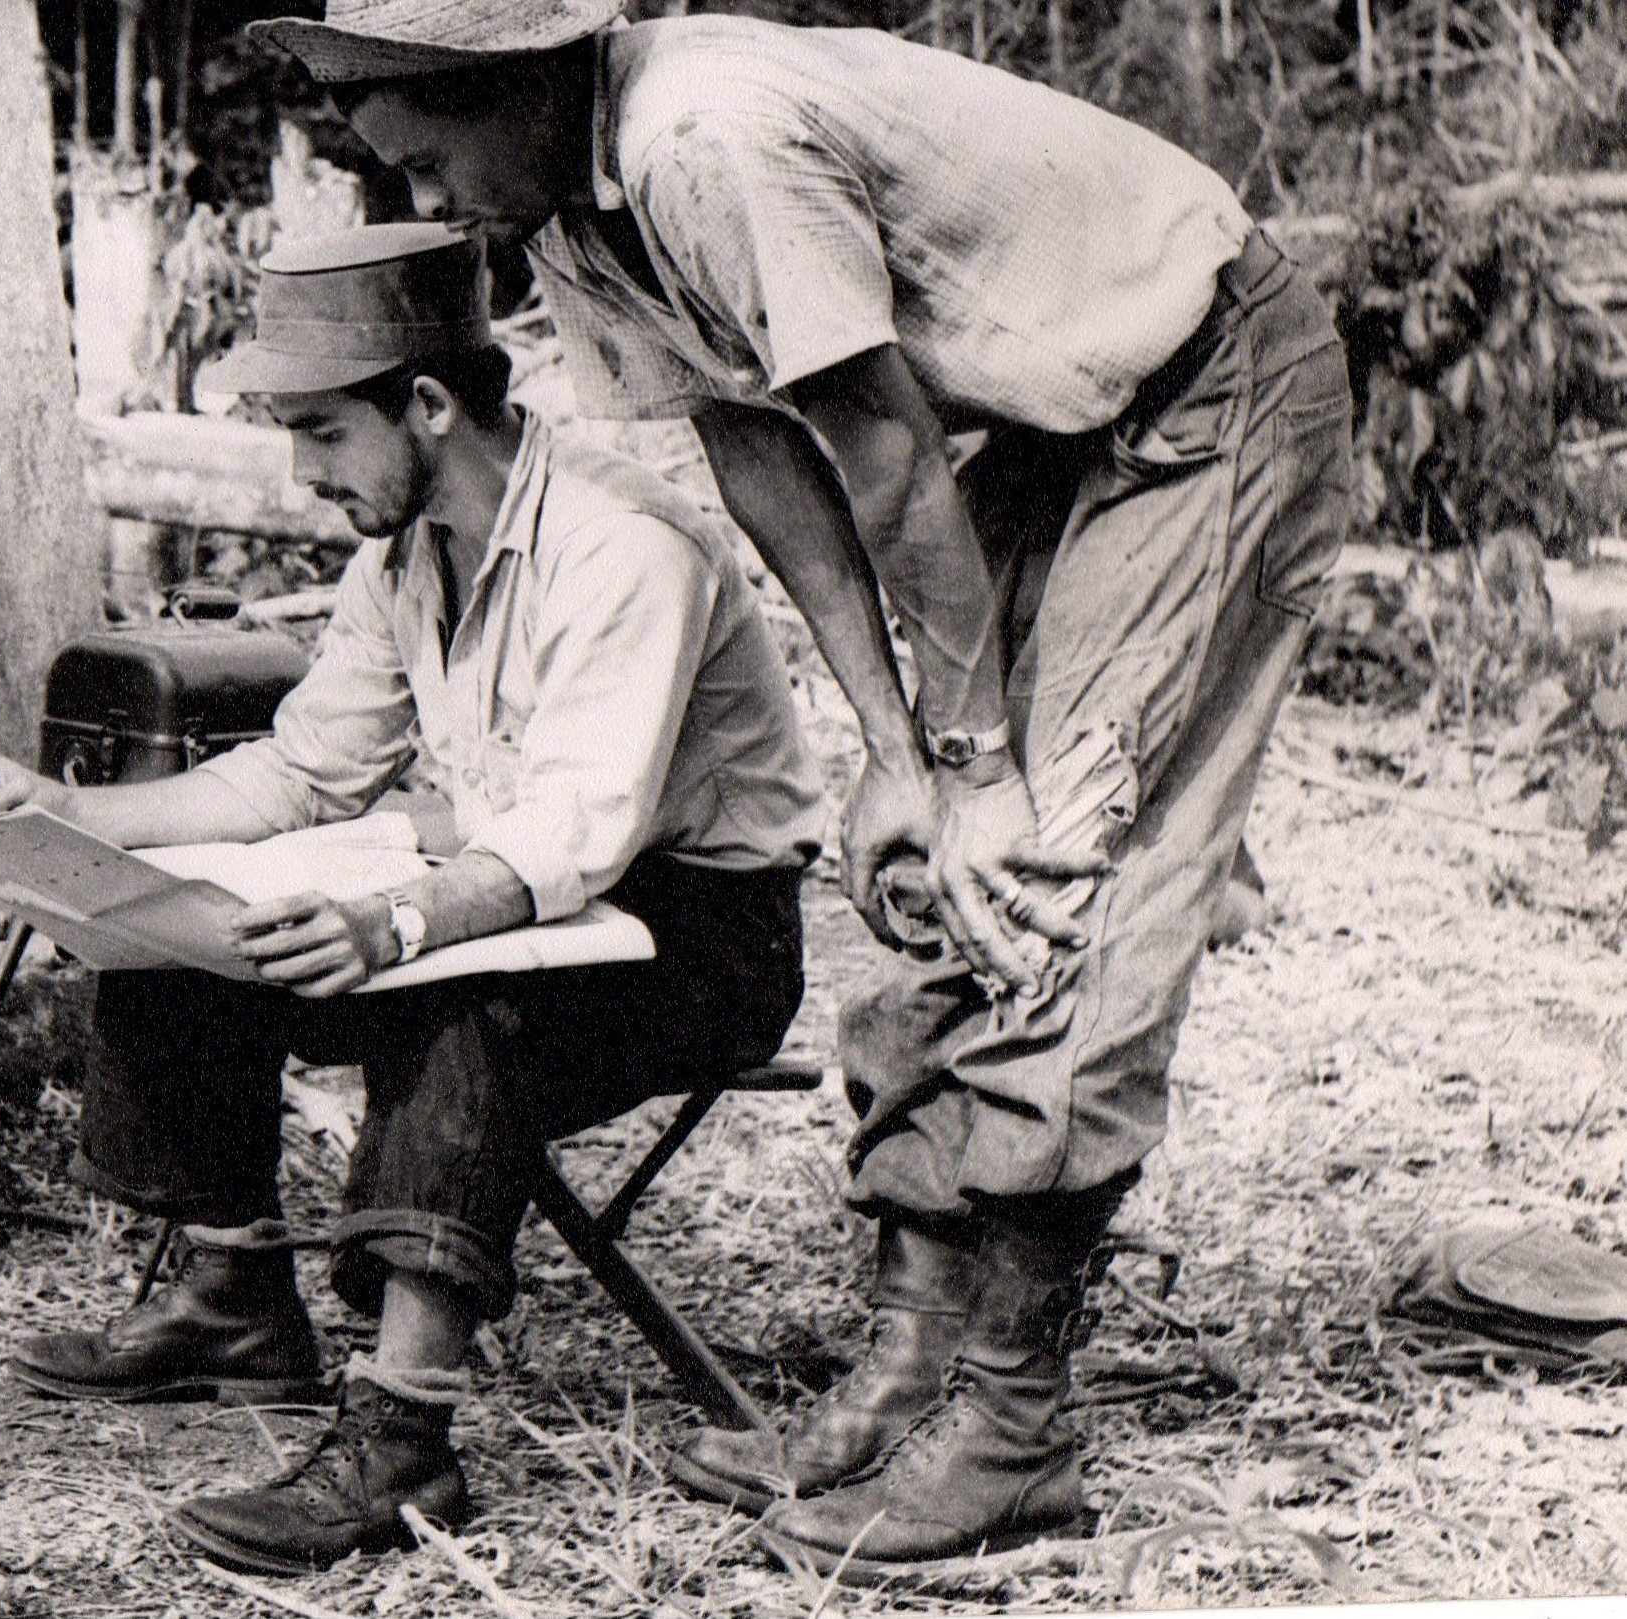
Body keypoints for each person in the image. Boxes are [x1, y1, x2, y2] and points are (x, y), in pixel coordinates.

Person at [249, 0, 1354, 1577]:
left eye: (424, 152)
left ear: (508, 76)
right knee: (923, 870)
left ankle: (1013, 1424)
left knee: (1048, 857)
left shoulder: (700, 141)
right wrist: (898, 763)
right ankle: (909, 1363)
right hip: (1053, 416)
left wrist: (970, 763)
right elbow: (764, 457)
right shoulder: (569, 211)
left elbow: (889, 459)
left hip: (1198, 378)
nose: (424, 201)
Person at [0, 222, 824, 1577]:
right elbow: (306, 774)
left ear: (426, 404)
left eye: (317, 433)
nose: (302, 474)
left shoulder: (623, 548)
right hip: (535, 888)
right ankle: (233, 1291)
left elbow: (576, 829)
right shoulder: (402, 555)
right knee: (170, 913)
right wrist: (66, 821)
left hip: (697, 934)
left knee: (465, 1004)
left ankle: (404, 1440)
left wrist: (397, 922)